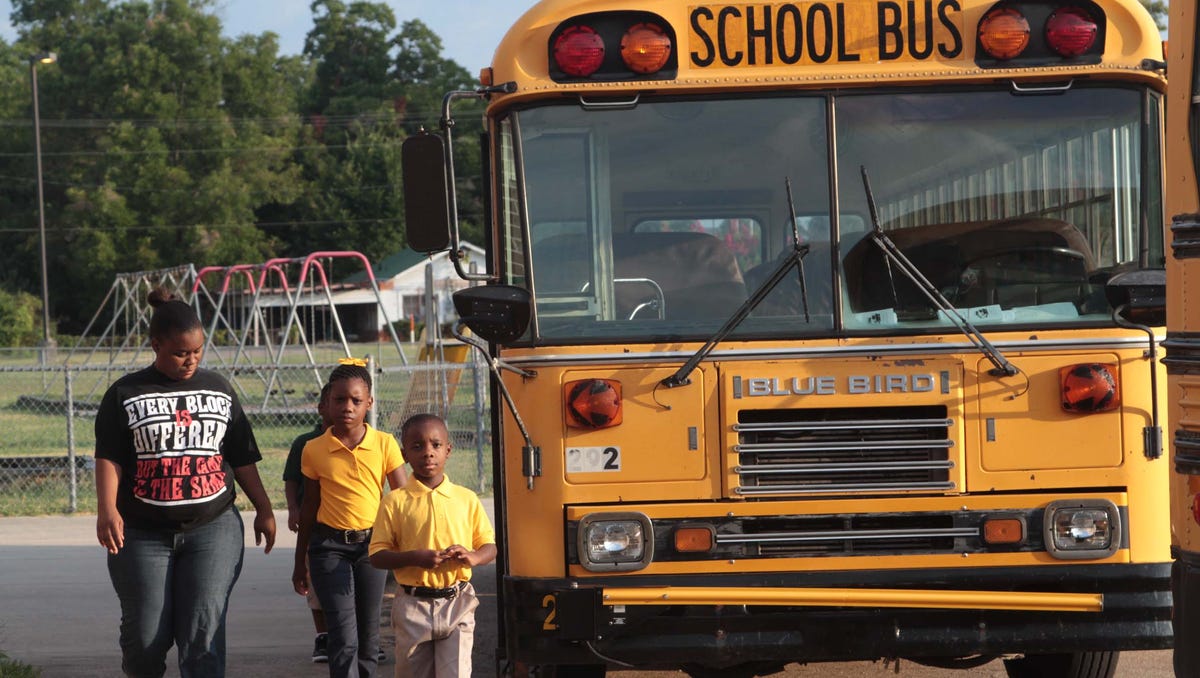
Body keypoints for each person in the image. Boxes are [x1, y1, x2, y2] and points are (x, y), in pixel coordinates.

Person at [94, 287, 276, 678]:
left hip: (213, 528)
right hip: (141, 533)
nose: (190, 360)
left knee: (203, 635)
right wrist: (106, 509)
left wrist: (264, 508)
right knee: (145, 640)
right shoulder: (125, 393)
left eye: (197, 351)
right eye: (180, 353)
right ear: (156, 345)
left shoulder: (219, 390)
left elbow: (242, 457)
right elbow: (108, 456)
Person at [294, 360, 408, 678]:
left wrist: (406, 548)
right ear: (328, 402)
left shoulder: (384, 444)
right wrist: (299, 560)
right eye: (340, 399)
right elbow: (309, 506)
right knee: (343, 635)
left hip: (372, 548)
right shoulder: (313, 449)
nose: (348, 407)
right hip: (329, 548)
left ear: (369, 403)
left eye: (356, 400)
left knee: (369, 633)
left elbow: (403, 498)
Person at [369, 413, 496, 678]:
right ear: (404, 454)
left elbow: (489, 546)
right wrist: (414, 557)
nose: (428, 453)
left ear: (448, 450)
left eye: (436, 445)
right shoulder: (395, 502)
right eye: (417, 447)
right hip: (413, 606)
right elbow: (377, 556)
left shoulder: (466, 498)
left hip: (457, 601)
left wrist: (473, 557)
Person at [285, 383, 334, 663]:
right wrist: (293, 509)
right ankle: (323, 637)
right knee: (314, 583)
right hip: (315, 525)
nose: (344, 409)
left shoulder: (370, 441)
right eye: (334, 402)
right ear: (321, 409)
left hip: (353, 527)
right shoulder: (305, 443)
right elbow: (291, 480)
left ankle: (363, 637)